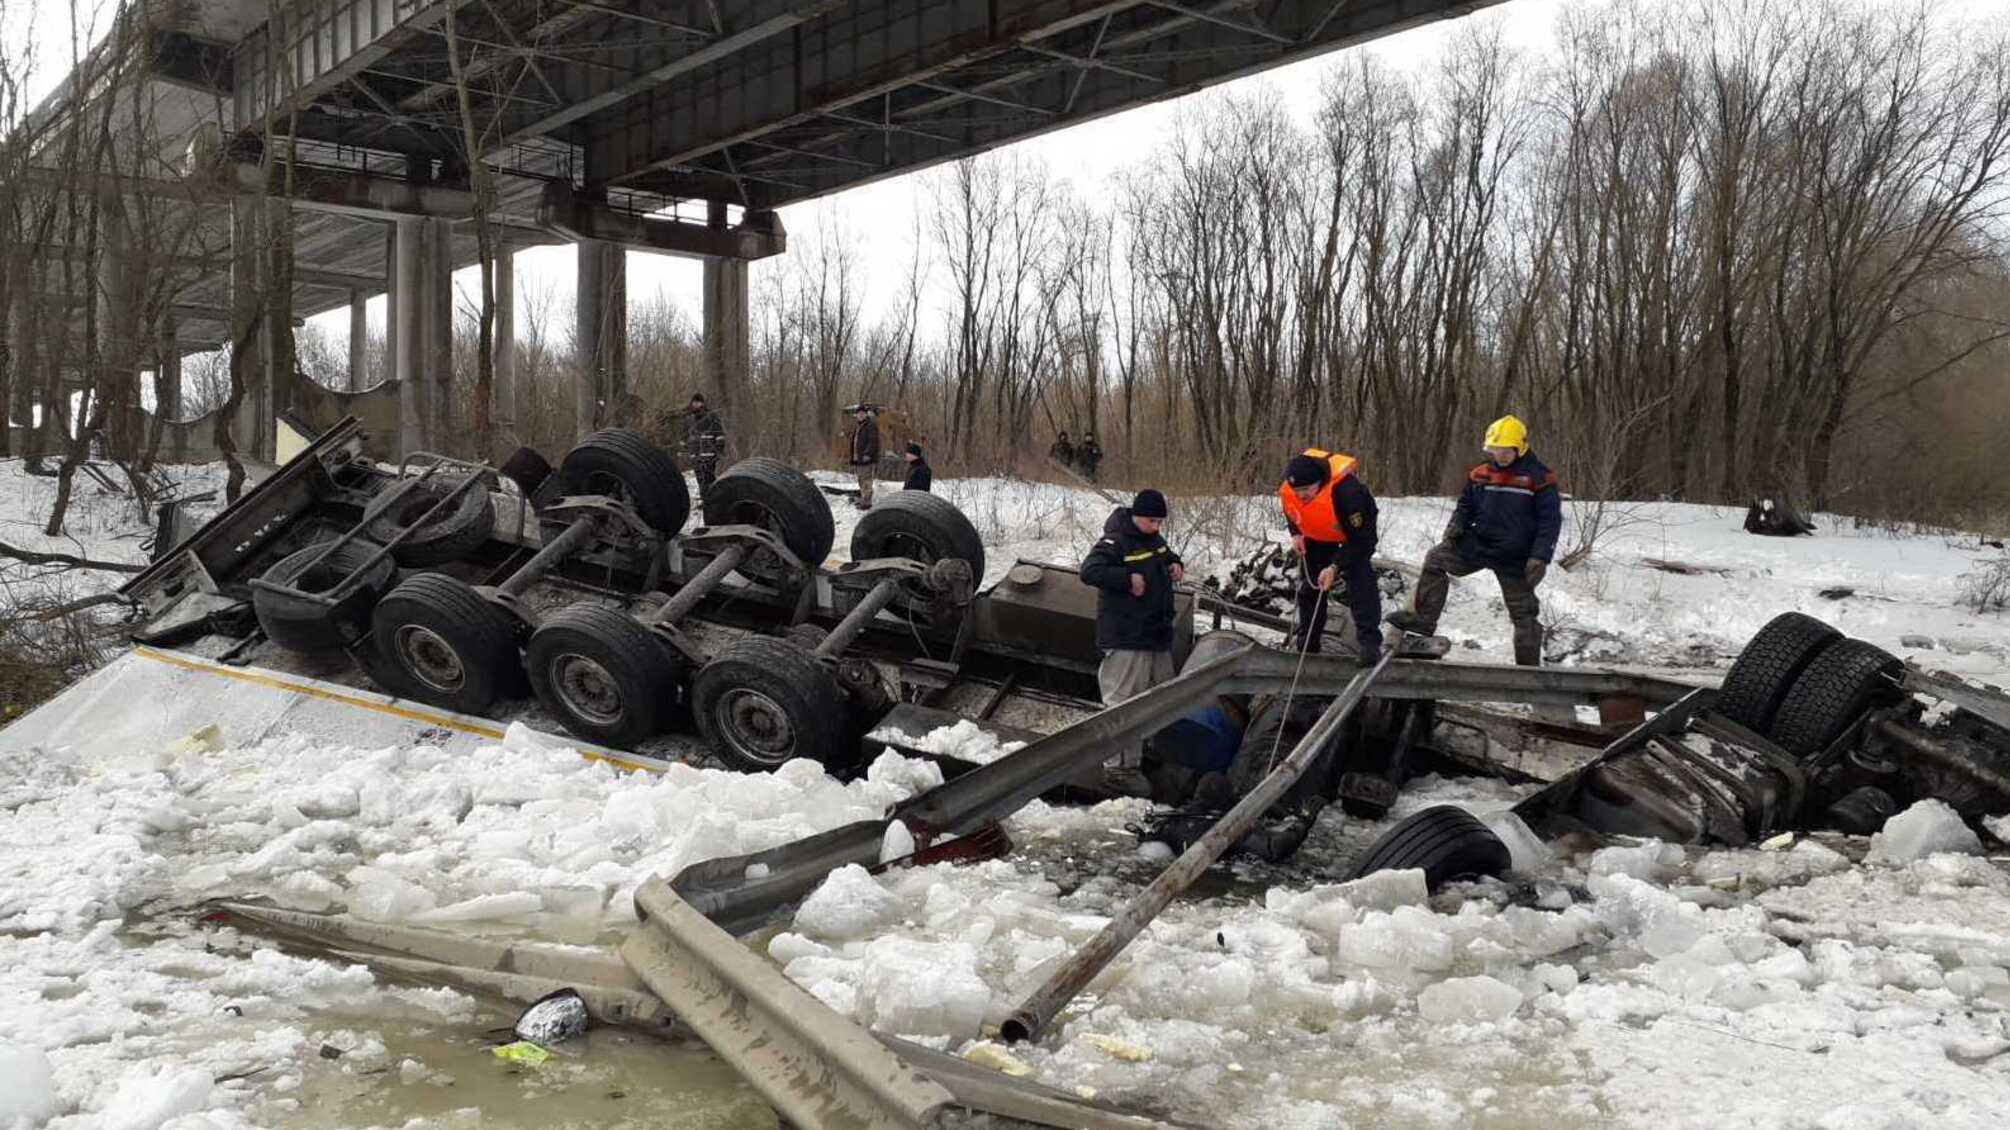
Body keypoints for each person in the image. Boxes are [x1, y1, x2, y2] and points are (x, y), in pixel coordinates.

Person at [1387, 414, 1560, 666]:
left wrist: (1541, 556)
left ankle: (1528, 671)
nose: (1499, 456)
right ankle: (1424, 620)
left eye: (1504, 451)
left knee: (1524, 615)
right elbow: (1466, 505)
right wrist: (1457, 524)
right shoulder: (1480, 473)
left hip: (1516, 555)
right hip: (1479, 545)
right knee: (1435, 559)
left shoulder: (1541, 478)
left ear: (1519, 447)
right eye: (1494, 450)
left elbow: (1550, 522)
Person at [1080, 488, 1185, 798]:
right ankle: (1120, 770)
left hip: (1155, 634)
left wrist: (1175, 563)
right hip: (1127, 635)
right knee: (1124, 702)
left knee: (1160, 695)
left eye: (1160, 522)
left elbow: (1165, 553)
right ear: (1137, 516)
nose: (1157, 527)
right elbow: (1089, 571)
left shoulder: (1152, 538)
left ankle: (1147, 751)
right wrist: (1126, 580)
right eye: (1152, 521)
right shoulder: (1115, 541)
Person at [1279, 449, 1382, 662]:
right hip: (1319, 533)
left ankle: (1369, 645)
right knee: (1310, 589)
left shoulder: (1349, 494)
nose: (1301, 495)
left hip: (1354, 536)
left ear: (1320, 482)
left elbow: (1363, 541)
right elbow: (1291, 510)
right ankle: (1308, 644)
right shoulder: (1291, 491)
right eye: (1297, 490)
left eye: (1306, 490)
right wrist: (1296, 533)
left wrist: (1335, 566)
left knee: (1360, 581)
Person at [681, 393, 726, 498]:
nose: (696, 405)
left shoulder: (711, 416)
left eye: (698, 402)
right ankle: (705, 500)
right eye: (694, 402)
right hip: (695, 457)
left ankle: (711, 500)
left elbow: (719, 435)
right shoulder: (688, 419)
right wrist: (688, 449)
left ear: (703, 403)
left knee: (708, 479)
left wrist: (718, 452)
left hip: (709, 456)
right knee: (700, 480)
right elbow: (684, 438)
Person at [848, 405, 881, 510]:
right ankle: (863, 498)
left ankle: (867, 501)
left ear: (866, 414)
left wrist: (868, 454)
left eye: (862, 414)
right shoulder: (859, 426)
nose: (860, 415)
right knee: (861, 479)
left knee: (866, 479)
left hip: (866, 458)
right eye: (858, 414)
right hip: (858, 458)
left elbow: (873, 441)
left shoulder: (870, 425)